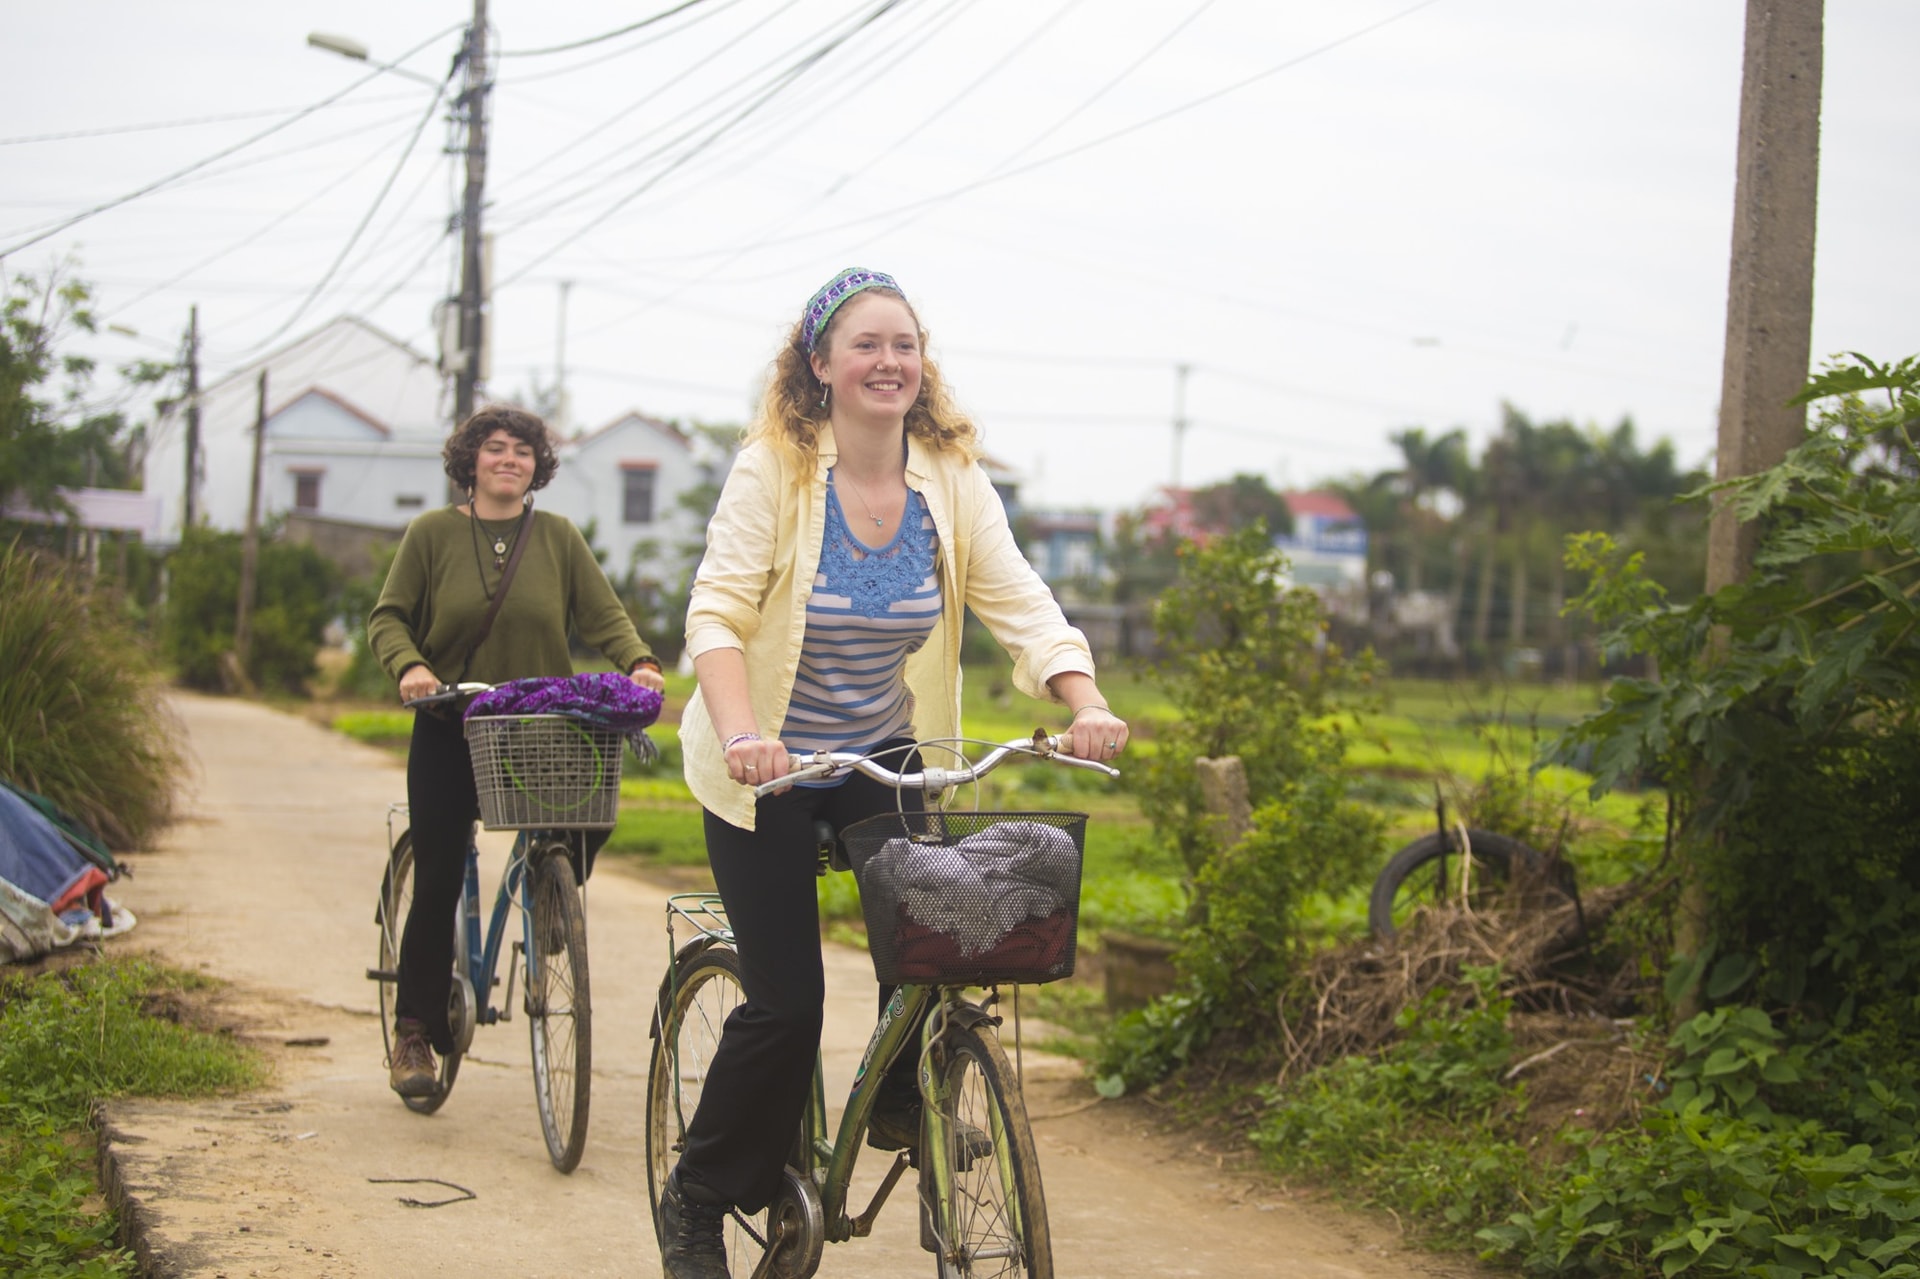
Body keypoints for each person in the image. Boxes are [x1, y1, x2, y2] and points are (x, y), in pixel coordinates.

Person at [659, 268, 1129, 1278]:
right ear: (820, 366)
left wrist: (1084, 700)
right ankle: (698, 1196)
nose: (889, 361)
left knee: (940, 949)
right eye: (866, 344)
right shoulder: (774, 470)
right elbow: (720, 613)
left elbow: (1020, 600)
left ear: (923, 365)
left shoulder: (950, 476)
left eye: (904, 344)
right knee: (787, 1003)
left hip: (881, 751)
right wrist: (745, 733)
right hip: (769, 762)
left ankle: (905, 1099)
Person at [366, 404, 667, 1099]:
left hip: (539, 726)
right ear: (469, 459)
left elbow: (604, 615)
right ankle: (413, 1032)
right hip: (451, 721)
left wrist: (639, 660)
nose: (510, 459)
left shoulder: (558, 536)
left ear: (539, 465)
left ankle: (551, 891)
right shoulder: (432, 533)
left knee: (589, 816)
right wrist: (410, 666)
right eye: (495, 448)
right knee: (439, 874)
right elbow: (388, 616)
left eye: (524, 450)